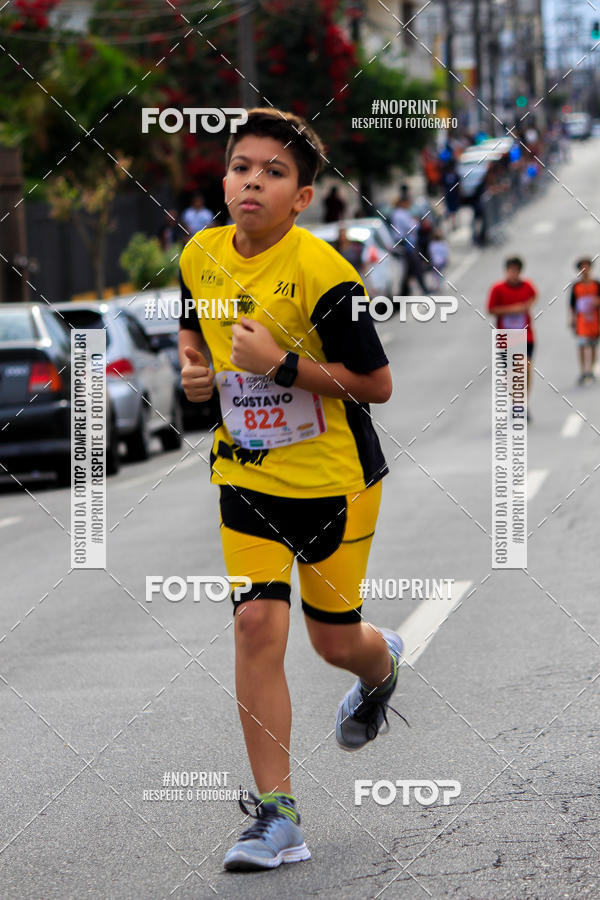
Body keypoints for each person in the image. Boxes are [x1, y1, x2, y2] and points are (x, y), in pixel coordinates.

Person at [178, 107, 406, 873]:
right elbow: (193, 325)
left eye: (274, 172)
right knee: (254, 627)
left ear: (302, 198)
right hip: (246, 476)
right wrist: (194, 369)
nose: (253, 181)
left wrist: (281, 365)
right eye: (242, 166)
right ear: (224, 180)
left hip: (335, 482)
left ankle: (379, 666)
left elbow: (376, 383)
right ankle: (277, 816)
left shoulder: (326, 274)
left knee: (334, 642)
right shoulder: (200, 255)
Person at [487, 257, 538, 417]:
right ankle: (516, 402)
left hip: (526, 336)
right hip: (506, 337)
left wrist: (527, 306)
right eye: (510, 271)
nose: (513, 274)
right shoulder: (498, 289)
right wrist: (514, 309)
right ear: (506, 271)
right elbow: (491, 310)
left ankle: (524, 403)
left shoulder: (527, 286)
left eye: (516, 271)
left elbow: (534, 296)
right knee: (511, 372)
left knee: (526, 368)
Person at [390, 188, 428, 295]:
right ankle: (421, 288)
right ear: (403, 203)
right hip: (407, 243)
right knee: (415, 266)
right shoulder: (400, 214)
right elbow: (412, 227)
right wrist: (416, 222)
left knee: (410, 268)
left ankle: (406, 291)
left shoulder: (398, 213)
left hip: (406, 242)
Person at [569, 258, 600, 384]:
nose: (585, 270)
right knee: (581, 345)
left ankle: (591, 370)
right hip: (581, 321)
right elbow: (572, 304)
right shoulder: (576, 286)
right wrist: (572, 319)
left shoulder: (596, 284)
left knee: (593, 346)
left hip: (594, 320)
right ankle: (582, 371)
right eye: (582, 267)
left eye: (587, 267)